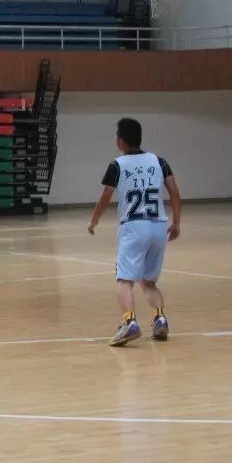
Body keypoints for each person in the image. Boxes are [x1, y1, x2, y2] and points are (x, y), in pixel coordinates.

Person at [87, 118, 182, 346]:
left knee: (124, 280)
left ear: (120, 141)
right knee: (148, 282)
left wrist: (94, 220)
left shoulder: (117, 165)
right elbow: (174, 193)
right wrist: (176, 223)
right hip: (158, 225)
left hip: (133, 226)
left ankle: (129, 322)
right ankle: (160, 318)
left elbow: (105, 197)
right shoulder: (159, 161)